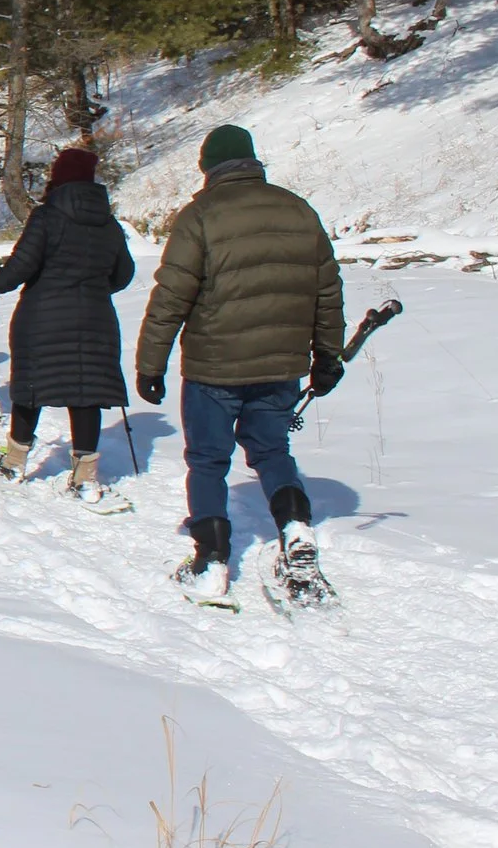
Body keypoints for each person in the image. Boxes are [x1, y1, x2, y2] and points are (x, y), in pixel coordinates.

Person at [134, 124, 344, 604]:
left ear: (208, 168)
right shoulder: (298, 210)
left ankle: (210, 562)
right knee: (271, 452)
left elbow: (171, 297)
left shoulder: (199, 216)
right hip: (281, 363)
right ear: (252, 161)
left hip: (214, 367)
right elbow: (327, 291)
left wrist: (151, 364)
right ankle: (295, 528)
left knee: (208, 460)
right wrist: (326, 355)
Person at [0, 147, 136, 500]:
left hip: (43, 318)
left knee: (31, 388)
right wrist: (97, 289)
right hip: (96, 320)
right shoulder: (109, 223)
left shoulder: (47, 217)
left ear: (58, 176)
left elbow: (22, 265)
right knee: (86, 393)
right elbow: (124, 273)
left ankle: (14, 460)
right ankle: (85, 476)